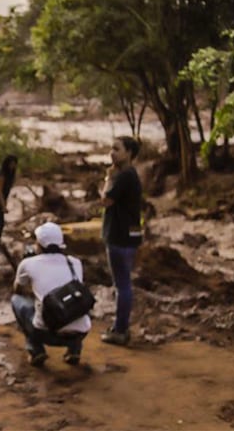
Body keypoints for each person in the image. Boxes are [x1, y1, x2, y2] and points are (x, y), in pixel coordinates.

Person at [11, 222, 91, 367]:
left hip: (46, 333)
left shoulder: (28, 263)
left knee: (16, 300)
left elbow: (17, 289)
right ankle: (74, 350)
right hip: (80, 333)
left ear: (39, 244)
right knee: (75, 302)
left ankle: (35, 348)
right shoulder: (75, 263)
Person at [99, 136, 143, 346]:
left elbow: (106, 200)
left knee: (122, 285)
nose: (112, 152)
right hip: (131, 235)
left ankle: (120, 330)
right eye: (111, 148)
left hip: (118, 236)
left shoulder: (123, 176)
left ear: (129, 154)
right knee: (125, 283)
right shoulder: (132, 175)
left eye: (116, 149)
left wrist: (108, 177)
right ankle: (121, 327)